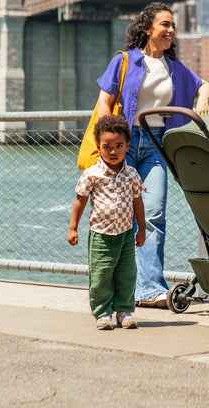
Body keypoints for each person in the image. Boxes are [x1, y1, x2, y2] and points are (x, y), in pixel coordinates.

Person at [94, 2, 209, 308]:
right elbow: (104, 102)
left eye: (173, 26)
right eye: (165, 25)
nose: (171, 31)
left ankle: (149, 289)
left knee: (154, 215)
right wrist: (108, 145)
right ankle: (116, 289)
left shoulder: (174, 68)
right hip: (123, 146)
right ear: (148, 28)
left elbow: (205, 84)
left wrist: (202, 100)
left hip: (156, 146)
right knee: (118, 218)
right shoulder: (124, 61)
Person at [68, 114, 146, 330]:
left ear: (127, 146)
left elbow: (138, 202)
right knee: (101, 275)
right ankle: (103, 313)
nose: (113, 152)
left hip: (126, 234)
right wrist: (73, 228)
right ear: (99, 147)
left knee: (127, 274)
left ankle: (124, 311)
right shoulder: (92, 174)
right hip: (101, 235)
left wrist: (142, 229)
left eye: (119, 146)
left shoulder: (131, 174)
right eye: (107, 146)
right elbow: (80, 201)